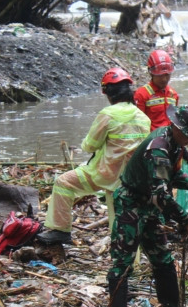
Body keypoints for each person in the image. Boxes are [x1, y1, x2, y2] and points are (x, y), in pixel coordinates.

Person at [107, 105, 188, 307]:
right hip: (132, 202)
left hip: (150, 206)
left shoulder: (174, 144)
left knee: (163, 259)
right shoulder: (158, 149)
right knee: (123, 262)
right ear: (176, 127)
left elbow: (173, 176)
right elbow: (161, 196)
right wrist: (185, 220)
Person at [36, 68, 150, 245]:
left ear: (108, 93)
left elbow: (90, 145)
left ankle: (60, 230)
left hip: (106, 175)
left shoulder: (107, 115)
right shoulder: (143, 117)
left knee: (63, 183)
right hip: (131, 178)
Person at [134, 49, 180, 131]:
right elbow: (137, 124)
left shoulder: (173, 94)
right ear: (151, 73)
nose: (164, 79)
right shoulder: (141, 94)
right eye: (160, 75)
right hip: (151, 139)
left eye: (167, 75)